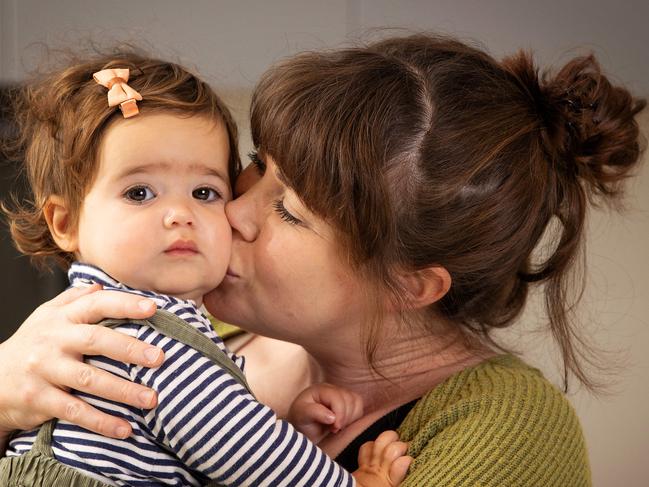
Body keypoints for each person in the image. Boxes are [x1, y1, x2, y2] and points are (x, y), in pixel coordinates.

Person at [0, 33, 646, 486]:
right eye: (255, 167)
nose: (233, 211)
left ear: (407, 282)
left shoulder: (509, 433)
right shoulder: (200, 341)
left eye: (288, 210)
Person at [0, 51, 411, 486]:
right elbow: (246, 449)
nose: (180, 213)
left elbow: (202, 442)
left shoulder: (116, 319)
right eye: (139, 193)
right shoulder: (141, 333)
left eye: (204, 191)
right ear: (65, 223)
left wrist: (288, 428)